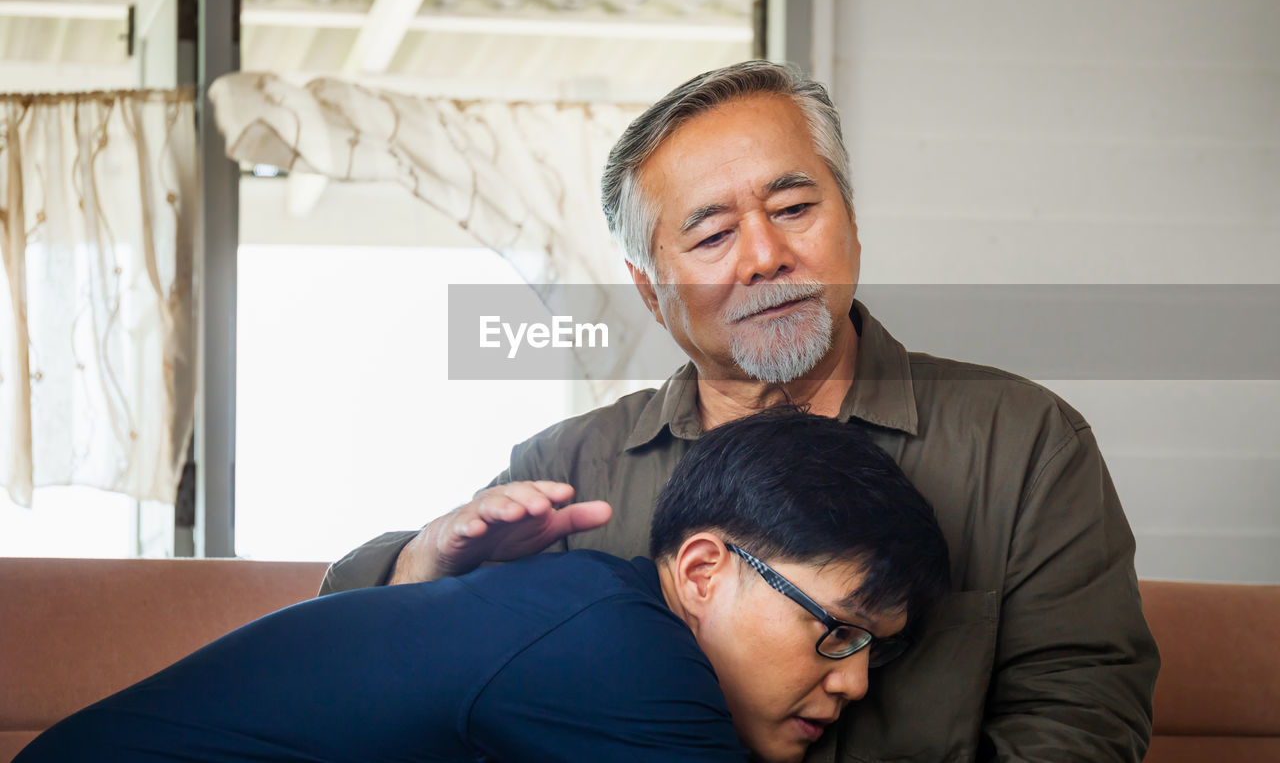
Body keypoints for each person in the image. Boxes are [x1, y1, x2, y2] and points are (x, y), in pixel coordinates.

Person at [323, 61, 1160, 761]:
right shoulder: (570, 468)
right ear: (652, 291)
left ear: (853, 222)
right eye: (712, 234)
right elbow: (378, 662)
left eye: (795, 209)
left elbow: (1082, 718)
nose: (765, 255)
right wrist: (421, 564)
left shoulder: (1025, 442)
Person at [15, 410, 950, 763]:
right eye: (840, 630)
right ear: (704, 570)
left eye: (878, 648)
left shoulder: (595, 615)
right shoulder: (629, 661)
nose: (858, 681)